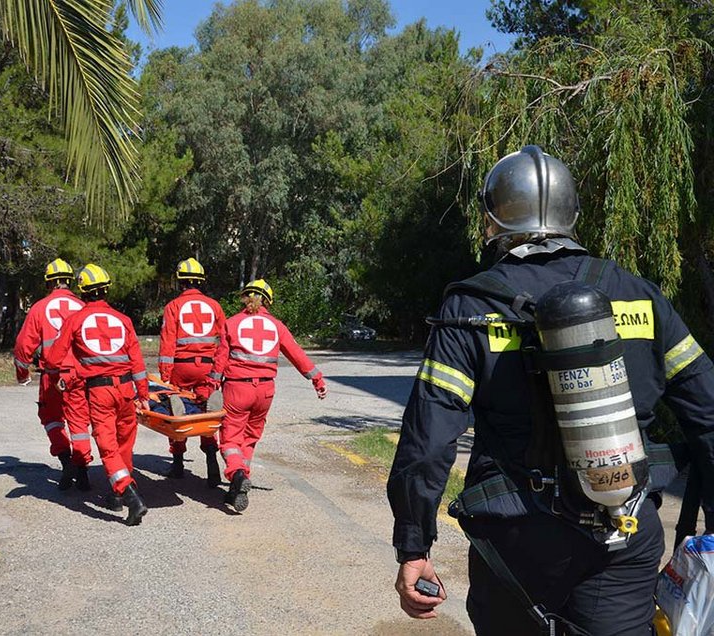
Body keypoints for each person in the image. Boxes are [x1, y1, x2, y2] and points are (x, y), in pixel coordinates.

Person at [387, 145, 714, 634]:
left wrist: (414, 545)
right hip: (620, 535)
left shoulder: (470, 306)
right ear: (572, 215)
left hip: (515, 537)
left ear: (492, 218)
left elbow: (429, 438)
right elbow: (707, 412)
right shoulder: (639, 294)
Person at [42, 263, 151, 526]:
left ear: (83, 291)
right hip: (126, 390)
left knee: (108, 446)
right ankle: (118, 493)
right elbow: (137, 361)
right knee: (125, 444)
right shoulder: (123, 320)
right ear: (106, 289)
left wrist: (59, 377)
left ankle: (129, 493)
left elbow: (54, 359)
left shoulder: (75, 320)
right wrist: (143, 393)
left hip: (99, 392)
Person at [209, 279, 327, 511]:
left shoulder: (232, 323)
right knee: (250, 438)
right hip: (265, 391)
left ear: (245, 297)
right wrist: (317, 379)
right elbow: (296, 353)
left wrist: (213, 383)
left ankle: (237, 474)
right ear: (267, 302)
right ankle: (237, 487)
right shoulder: (276, 326)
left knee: (231, 439)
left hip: (237, 388)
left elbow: (220, 358)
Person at [13, 258, 92, 491]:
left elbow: (22, 346)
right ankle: (83, 471)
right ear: (70, 281)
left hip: (52, 374)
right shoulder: (83, 306)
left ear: (49, 283)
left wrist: (22, 373)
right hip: (79, 376)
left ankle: (65, 460)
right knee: (79, 423)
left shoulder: (39, 308)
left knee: (52, 420)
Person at [158, 257, 226, 484]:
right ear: (200, 281)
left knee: (177, 414)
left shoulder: (173, 307)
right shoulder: (215, 306)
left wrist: (165, 375)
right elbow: (224, 340)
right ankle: (212, 465)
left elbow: (167, 343)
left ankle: (177, 465)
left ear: (181, 282)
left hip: (181, 366)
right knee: (208, 413)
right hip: (207, 366)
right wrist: (218, 370)